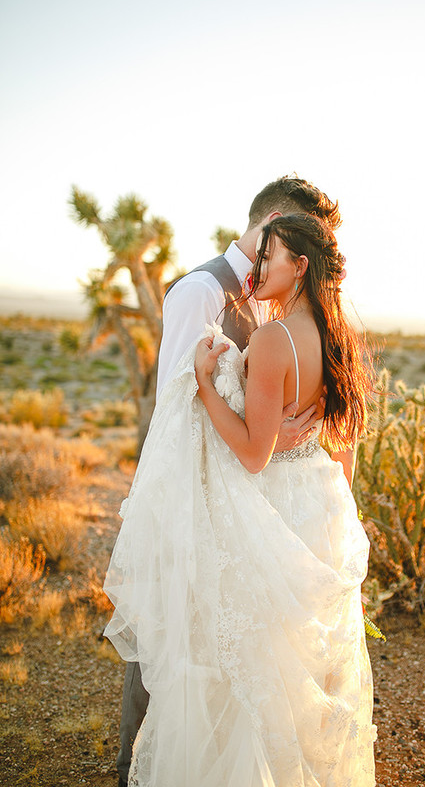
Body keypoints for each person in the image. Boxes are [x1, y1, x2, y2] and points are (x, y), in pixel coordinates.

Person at [105, 212, 376, 786]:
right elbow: (343, 436)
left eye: (270, 256)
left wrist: (205, 385)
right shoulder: (339, 334)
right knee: (298, 664)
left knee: (252, 667)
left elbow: (255, 453)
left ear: (298, 267)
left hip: (271, 503)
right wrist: (335, 510)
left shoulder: (276, 338)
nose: (258, 267)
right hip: (319, 502)